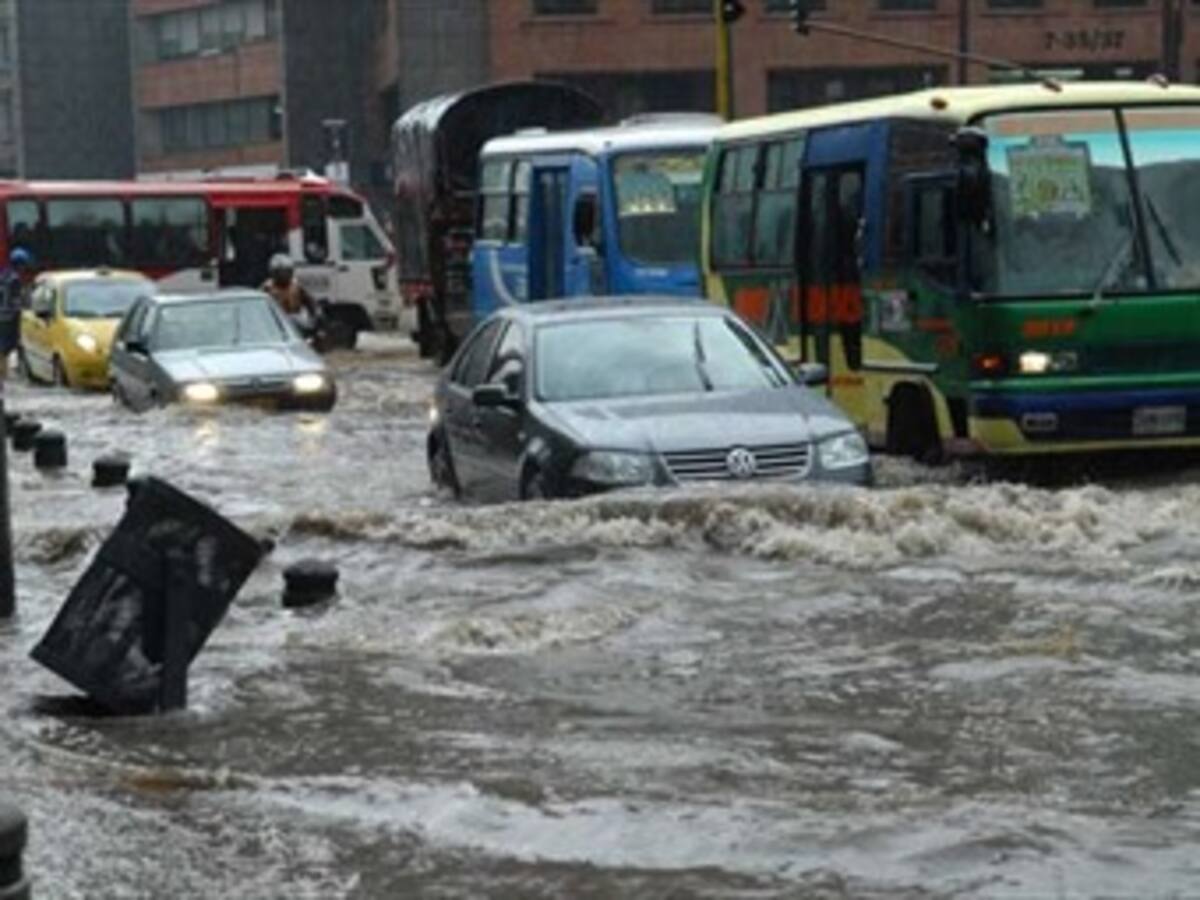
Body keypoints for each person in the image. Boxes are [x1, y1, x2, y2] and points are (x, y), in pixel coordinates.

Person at [261, 253, 321, 336]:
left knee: (316, 333)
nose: (284, 275)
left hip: (297, 318)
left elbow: (310, 301)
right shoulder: (267, 287)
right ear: (273, 273)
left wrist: (316, 314)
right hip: (275, 320)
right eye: (280, 272)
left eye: (286, 271)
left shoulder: (296, 285)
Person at [0, 248, 34, 368]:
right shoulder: (15, 280)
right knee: (6, 349)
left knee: (3, 348)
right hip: (10, 318)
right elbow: (17, 300)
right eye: (24, 265)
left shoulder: (3, 275)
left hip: (2, 316)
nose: (24, 268)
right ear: (19, 264)